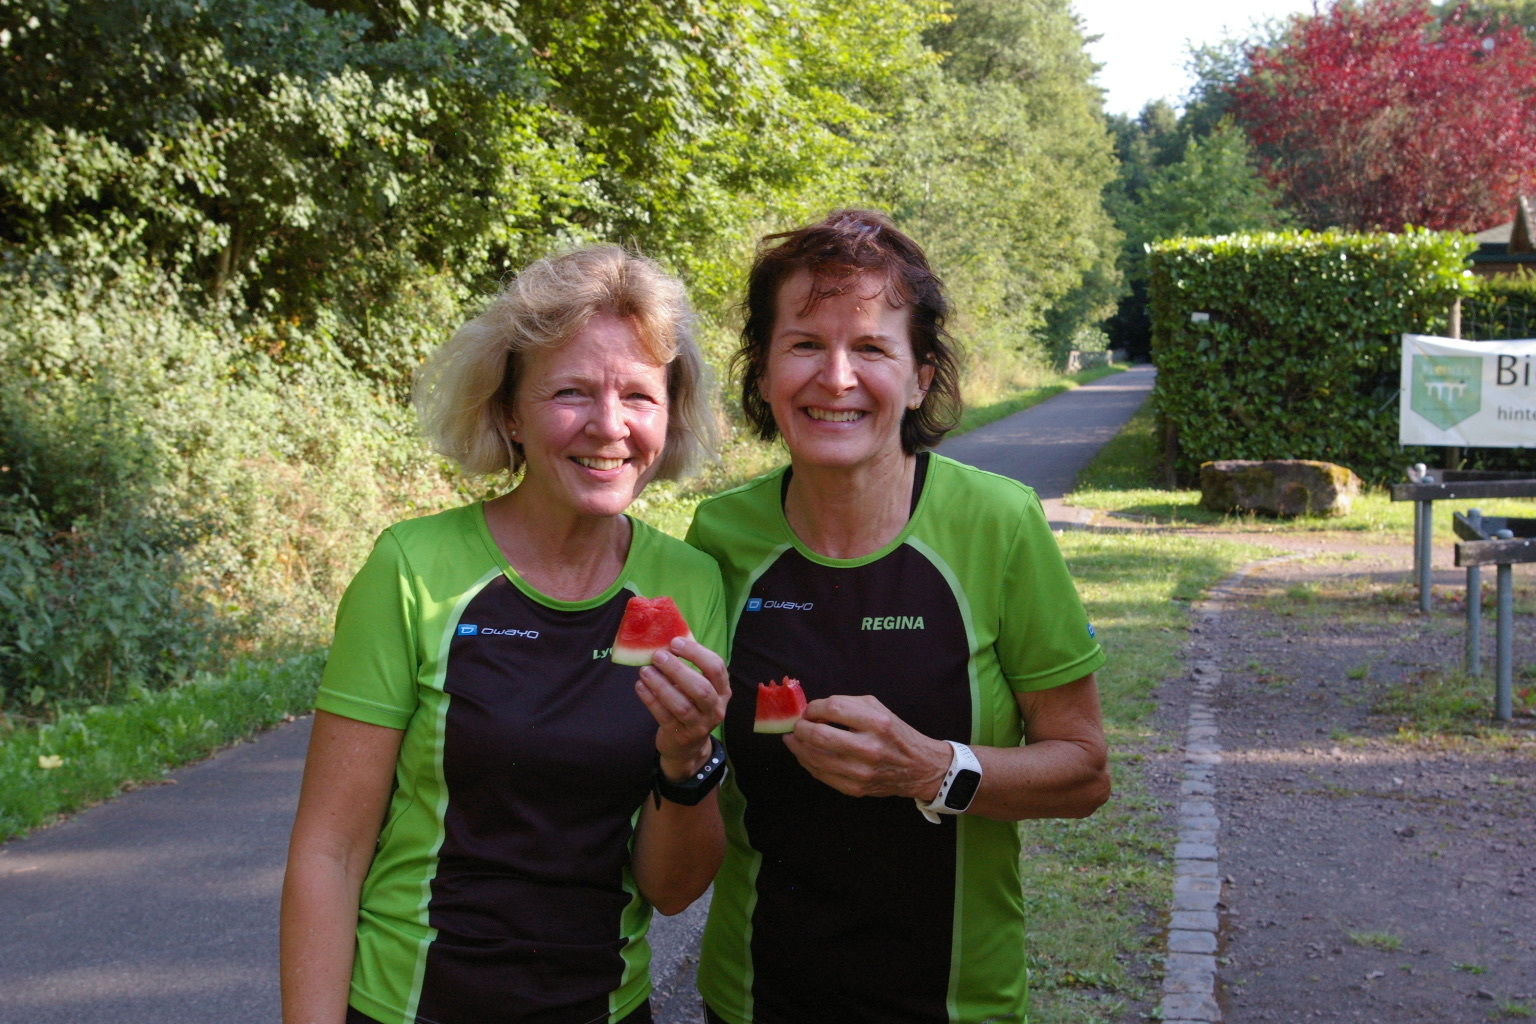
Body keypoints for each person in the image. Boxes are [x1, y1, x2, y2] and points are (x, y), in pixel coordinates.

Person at [280, 245, 732, 1024]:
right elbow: (330, 853)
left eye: (639, 395)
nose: (610, 426)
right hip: (409, 1007)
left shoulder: (689, 584)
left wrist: (687, 758)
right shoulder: (412, 568)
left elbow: (672, 890)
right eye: (571, 391)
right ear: (509, 411)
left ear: (671, 412)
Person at [686, 210, 1111, 1024]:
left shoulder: (1000, 523)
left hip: (956, 1004)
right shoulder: (719, 536)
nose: (836, 377)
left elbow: (1085, 772)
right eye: (804, 344)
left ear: (920, 377)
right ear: (763, 371)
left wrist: (931, 769)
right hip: (752, 1000)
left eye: (872, 349)